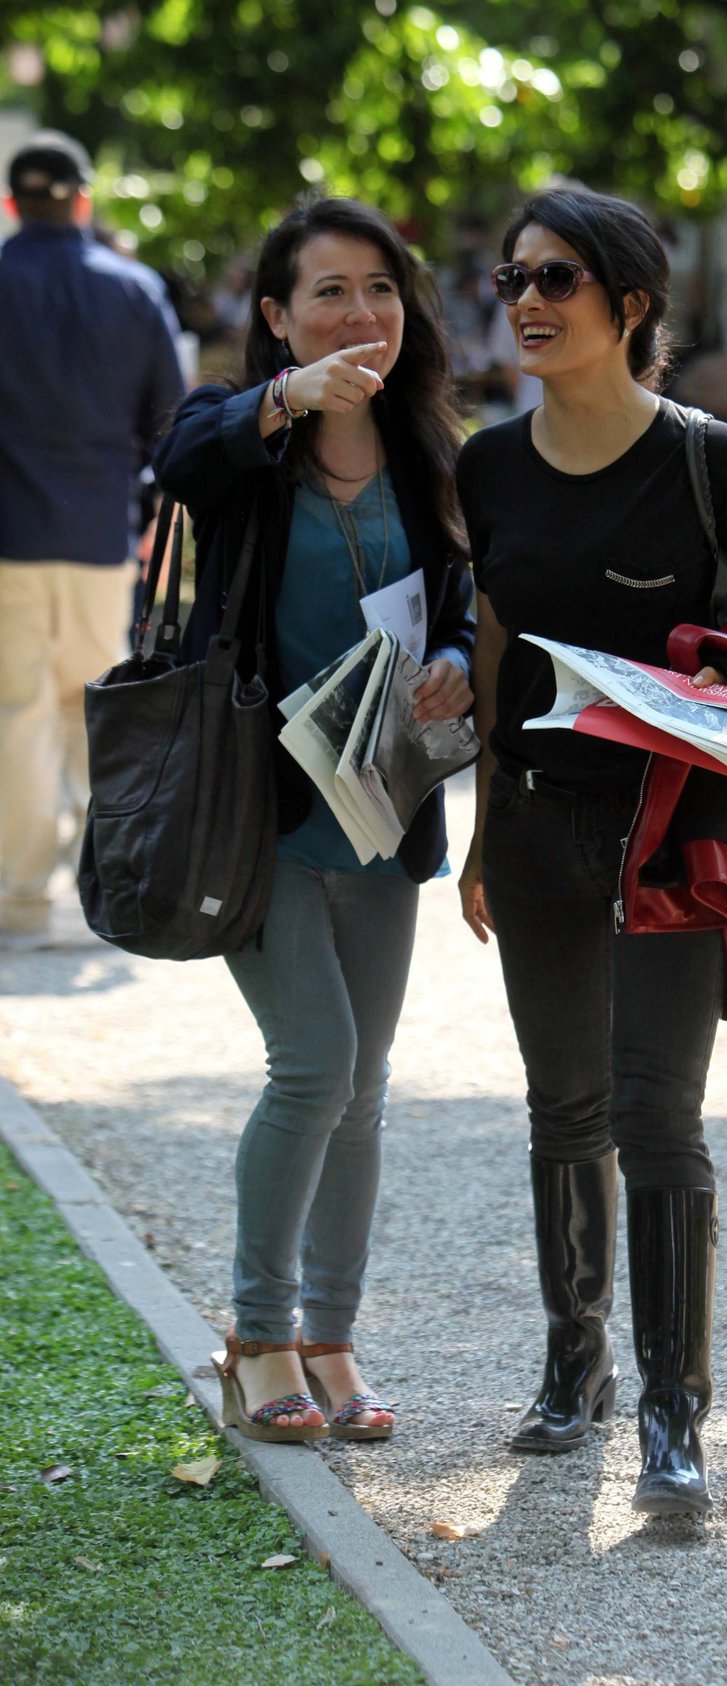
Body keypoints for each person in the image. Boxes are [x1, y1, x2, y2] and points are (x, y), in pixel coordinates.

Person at [455, 186, 727, 1516]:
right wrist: (481, 832)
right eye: (514, 279)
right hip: (535, 820)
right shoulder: (490, 466)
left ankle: (674, 1411)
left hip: (673, 828)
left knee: (658, 1112)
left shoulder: (706, 458)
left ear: (630, 304)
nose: (528, 301)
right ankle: (576, 1366)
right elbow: (494, 642)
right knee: (563, 1104)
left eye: (557, 277)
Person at [153, 198, 474, 1443]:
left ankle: (332, 1340)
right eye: (329, 291)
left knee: (365, 1085)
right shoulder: (241, 438)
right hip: (259, 812)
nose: (360, 312)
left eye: (380, 288)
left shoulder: (428, 447)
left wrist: (455, 663)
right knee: (315, 1065)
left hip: (383, 800)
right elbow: (180, 461)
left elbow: (460, 598)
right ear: (278, 318)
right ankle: (257, 1335)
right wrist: (288, 401)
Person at [0, 130, 185, 938]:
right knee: (97, 710)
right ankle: (103, 888)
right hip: (104, 532)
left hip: (10, 536)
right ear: (82, 199)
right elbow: (171, 421)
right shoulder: (135, 288)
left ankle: (23, 896)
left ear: (10, 202)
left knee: (16, 712)